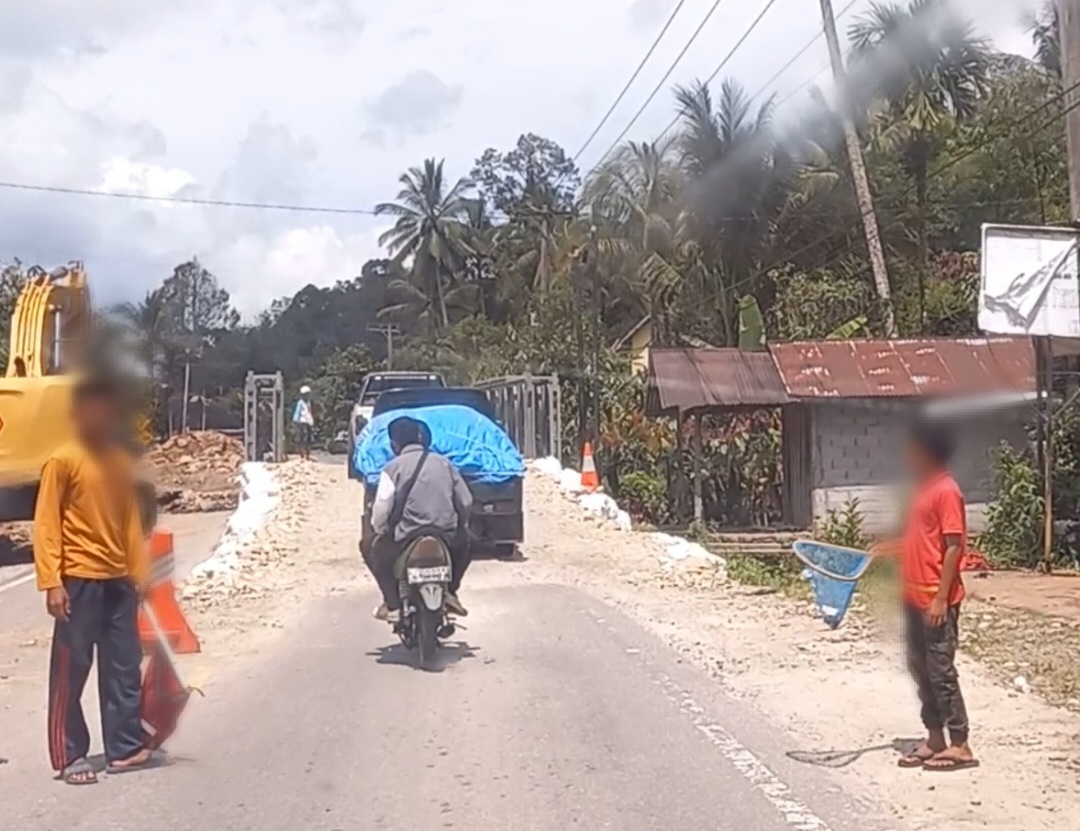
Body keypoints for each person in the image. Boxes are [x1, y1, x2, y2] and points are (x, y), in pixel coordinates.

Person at [33, 376, 153, 786]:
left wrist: (139, 573)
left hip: (119, 581)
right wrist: (51, 581)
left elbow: (130, 522)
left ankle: (124, 747)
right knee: (71, 671)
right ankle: (69, 754)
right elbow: (46, 524)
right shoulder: (62, 461)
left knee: (123, 667)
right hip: (79, 580)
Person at [893, 418, 977, 772]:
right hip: (913, 597)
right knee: (920, 669)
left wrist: (942, 598)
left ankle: (960, 744)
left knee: (940, 670)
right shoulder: (922, 488)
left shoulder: (946, 490)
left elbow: (954, 546)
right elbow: (919, 539)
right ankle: (934, 737)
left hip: (935, 599)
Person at [364, 417, 472, 622]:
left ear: (394, 444)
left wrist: (381, 530)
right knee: (469, 543)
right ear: (420, 437)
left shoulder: (391, 468)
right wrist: (460, 525)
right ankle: (451, 591)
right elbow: (466, 502)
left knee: (372, 550)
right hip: (445, 533)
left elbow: (382, 509)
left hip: (407, 534)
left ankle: (392, 604)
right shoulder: (445, 464)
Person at [292, 385, 315, 461]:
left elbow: (309, 412)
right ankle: (302, 453)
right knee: (303, 437)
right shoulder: (300, 403)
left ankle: (308, 453)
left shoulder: (309, 402)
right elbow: (298, 412)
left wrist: (311, 420)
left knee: (309, 437)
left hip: (308, 421)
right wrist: (296, 420)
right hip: (302, 421)